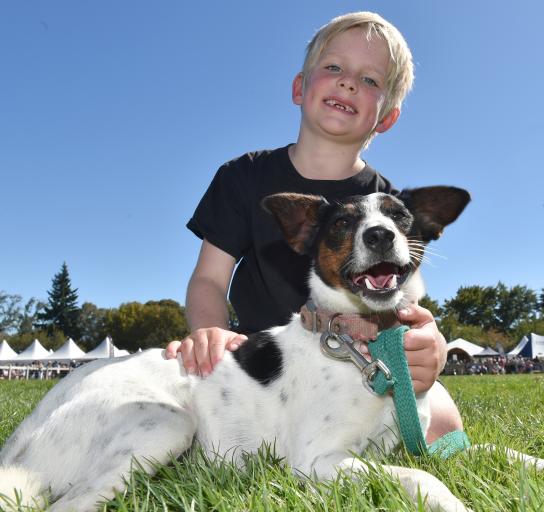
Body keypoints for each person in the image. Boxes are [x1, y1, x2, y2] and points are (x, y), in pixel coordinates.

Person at [165, 11, 463, 444]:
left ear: (387, 117)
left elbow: (406, 294)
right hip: (267, 363)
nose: (348, 83)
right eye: (334, 68)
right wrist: (211, 335)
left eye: (370, 80)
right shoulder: (243, 176)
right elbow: (209, 279)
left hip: (359, 358)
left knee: (443, 424)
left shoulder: (389, 203)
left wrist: (429, 342)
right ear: (299, 87)